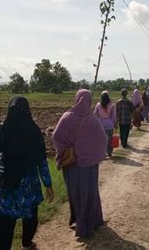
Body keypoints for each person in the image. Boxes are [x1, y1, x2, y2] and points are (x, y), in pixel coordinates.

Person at [0, 96, 54, 250]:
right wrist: (48, 184)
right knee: (30, 216)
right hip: (27, 186)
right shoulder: (33, 130)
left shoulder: (2, 129)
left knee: (2, 224)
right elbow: (42, 161)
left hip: (5, 186)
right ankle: (27, 242)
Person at [52, 89, 107, 238]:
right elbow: (103, 140)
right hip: (90, 166)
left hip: (73, 166)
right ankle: (93, 221)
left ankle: (81, 224)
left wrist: (69, 148)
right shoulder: (92, 119)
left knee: (76, 195)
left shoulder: (66, 117)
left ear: (76, 99)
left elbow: (56, 136)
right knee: (90, 193)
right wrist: (92, 153)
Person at [94, 91, 117, 157]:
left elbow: (95, 115)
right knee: (109, 140)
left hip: (100, 125)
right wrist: (114, 123)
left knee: (102, 140)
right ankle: (109, 152)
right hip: (109, 125)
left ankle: (103, 153)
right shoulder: (112, 105)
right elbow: (113, 116)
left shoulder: (98, 105)